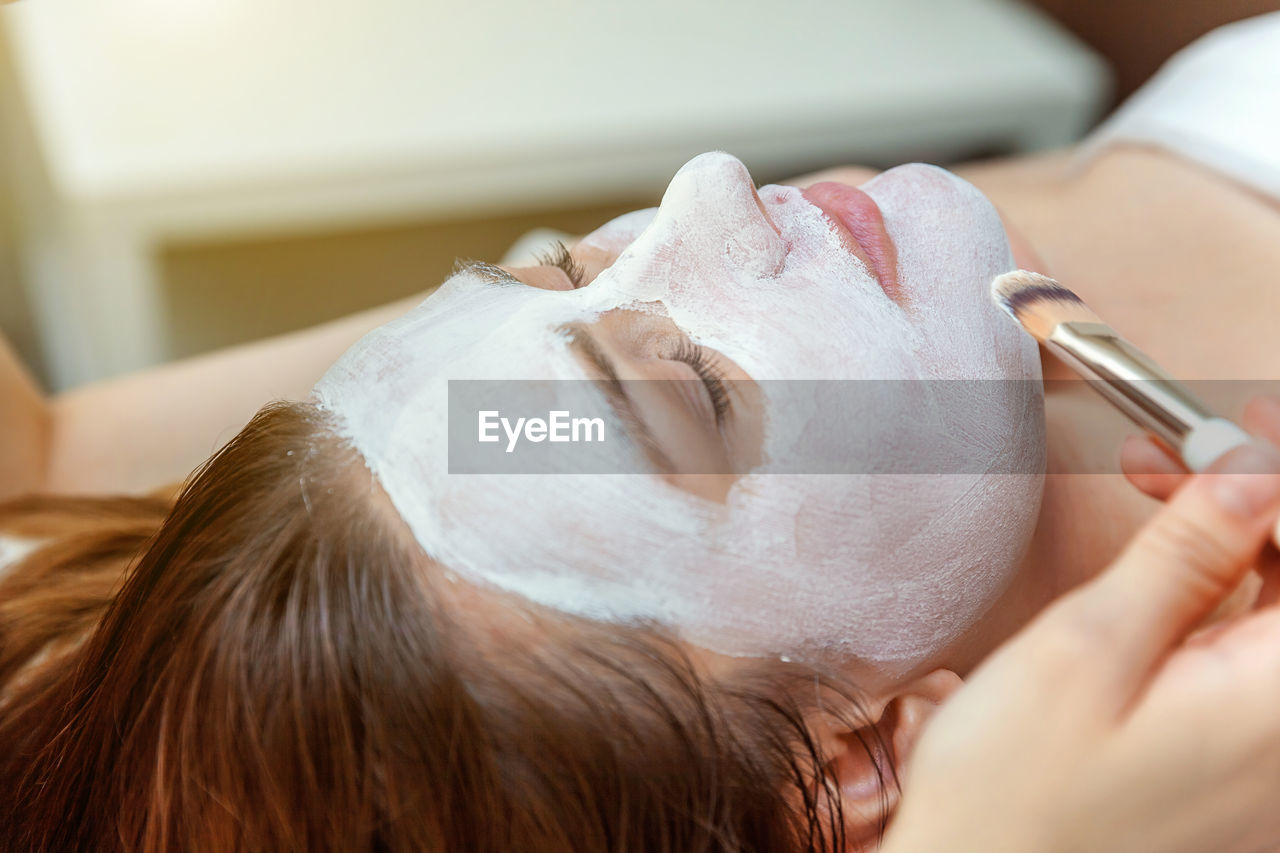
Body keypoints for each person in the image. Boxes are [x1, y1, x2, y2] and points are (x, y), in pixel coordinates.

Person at [3, 11, 1280, 850]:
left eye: (556, 268)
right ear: (854, 757)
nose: (703, 190)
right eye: (694, 391)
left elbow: (36, 462)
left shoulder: (474, 438)